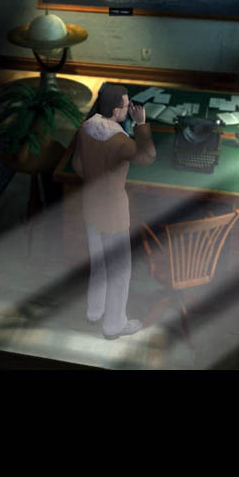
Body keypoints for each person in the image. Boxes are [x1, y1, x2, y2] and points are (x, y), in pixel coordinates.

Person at [72, 84, 156, 339]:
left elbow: (77, 165)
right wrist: (141, 124)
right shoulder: (119, 141)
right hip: (113, 213)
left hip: (91, 206)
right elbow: (148, 156)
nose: (129, 109)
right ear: (115, 110)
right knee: (119, 271)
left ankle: (94, 311)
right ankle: (113, 325)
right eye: (126, 106)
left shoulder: (85, 128)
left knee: (98, 263)